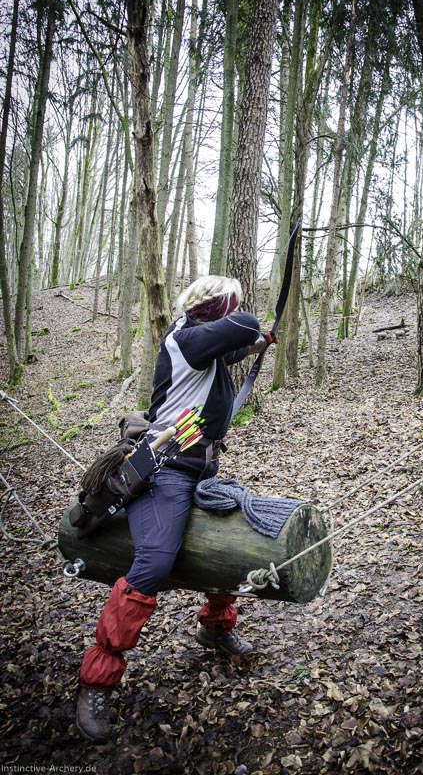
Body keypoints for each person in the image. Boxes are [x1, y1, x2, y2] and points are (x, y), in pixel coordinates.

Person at [76, 275, 274, 743]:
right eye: (229, 306)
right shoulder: (184, 337)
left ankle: (215, 629)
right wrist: (250, 328)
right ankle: (96, 680)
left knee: (229, 538)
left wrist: (258, 344)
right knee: (155, 561)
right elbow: (242, 327)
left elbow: (233, 346)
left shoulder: (201, 346)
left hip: (199, 469)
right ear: (214, 308)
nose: (237, 312)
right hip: (164, 469)